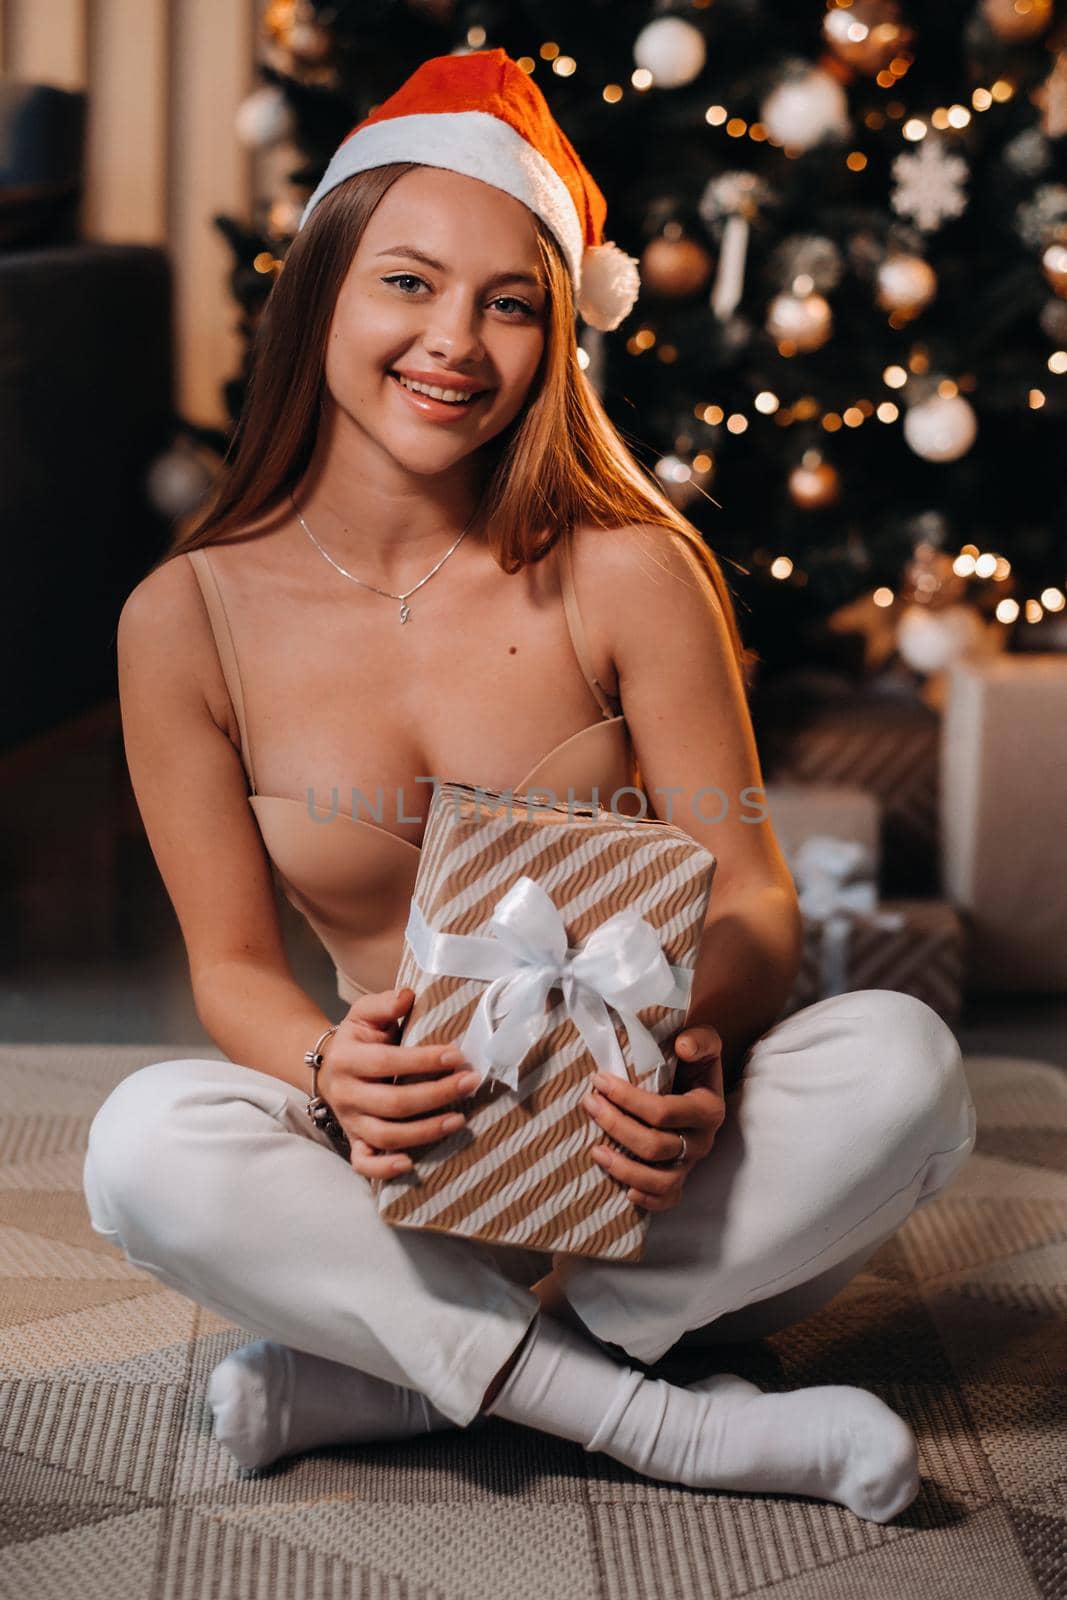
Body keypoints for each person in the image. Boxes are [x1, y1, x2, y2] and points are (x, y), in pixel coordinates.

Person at [82, 49, 975, 1523]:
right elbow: (234, 969)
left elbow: (745, 886)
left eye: (512, 305)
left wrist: (689, 1059)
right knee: (145, 1146)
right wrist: (326, 1071)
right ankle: (657, 1421)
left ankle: (393, 1372)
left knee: (900, 1060)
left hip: (636, 1169)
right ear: (320, 292)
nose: (457, 342)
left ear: (560, 333)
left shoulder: (632, 574)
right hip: (392, 1168)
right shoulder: (186, 621)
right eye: (409, 284)